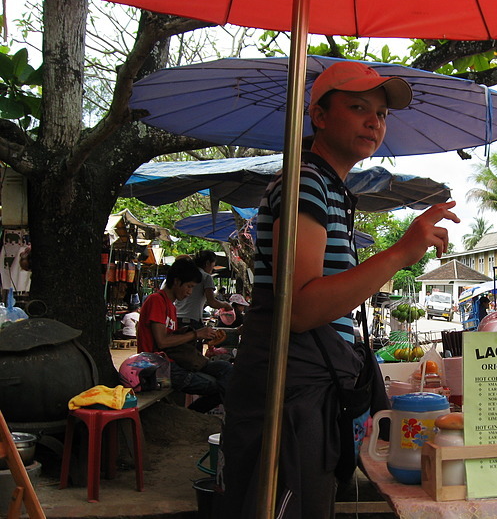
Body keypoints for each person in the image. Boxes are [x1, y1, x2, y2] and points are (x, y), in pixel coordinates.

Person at [220, 61, 459, 518]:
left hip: (306, 383)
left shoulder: (328, 188)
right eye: (358, 107)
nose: (375, 121)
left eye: (383, 114)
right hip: (289, 389)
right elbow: (303, 306)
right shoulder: (307, 182)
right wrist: (400, 253)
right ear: (319, 115)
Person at [138, 257, 233, 413]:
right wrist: (196, 334)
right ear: (176, 281)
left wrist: (204, 336)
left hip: (174, 362)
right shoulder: (156, 301)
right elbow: (162, 342)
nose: (190, 292)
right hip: (158, 368)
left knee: (226, 369)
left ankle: (192, 415)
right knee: (218, 386)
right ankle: (192, 415)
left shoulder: (172, 307)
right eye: (189, 287)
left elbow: (173, 341)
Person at [176, 250, 232, 332]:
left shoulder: (184, 275)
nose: (212, 269)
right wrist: (226, 305)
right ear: (207, 263)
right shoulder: (206, 277)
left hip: (176, 318)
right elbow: (212, 302)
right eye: (213, 265)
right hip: (192, 319)